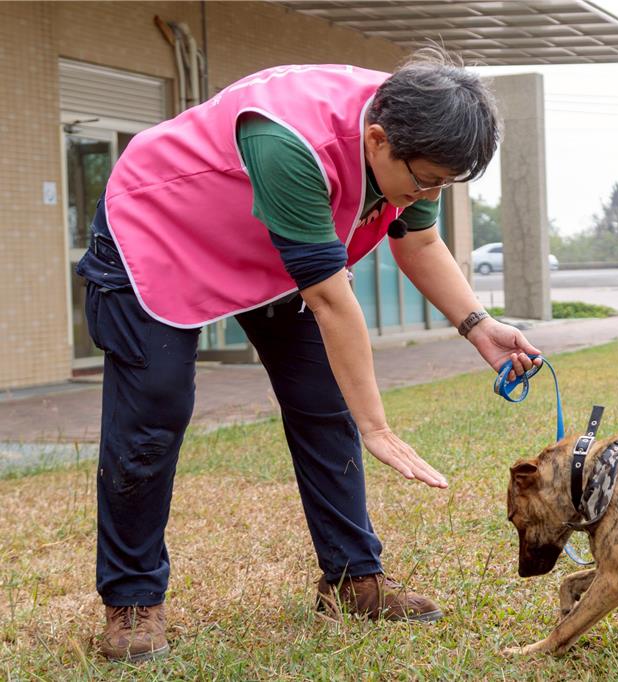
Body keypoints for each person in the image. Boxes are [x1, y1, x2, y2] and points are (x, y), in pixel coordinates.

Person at [75, 50, 542, 662]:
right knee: (155, 414)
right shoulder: (291, 140)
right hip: (157, 226)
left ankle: (353, 579)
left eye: (444, 184)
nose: (429, 192)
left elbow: (420, 238)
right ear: (377, 140)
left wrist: (477, 324)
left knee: (324, 401)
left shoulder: (422, 131)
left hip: (267, 248)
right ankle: (131, 602)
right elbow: (329, 297)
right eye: (426, 180)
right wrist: (376, 426)